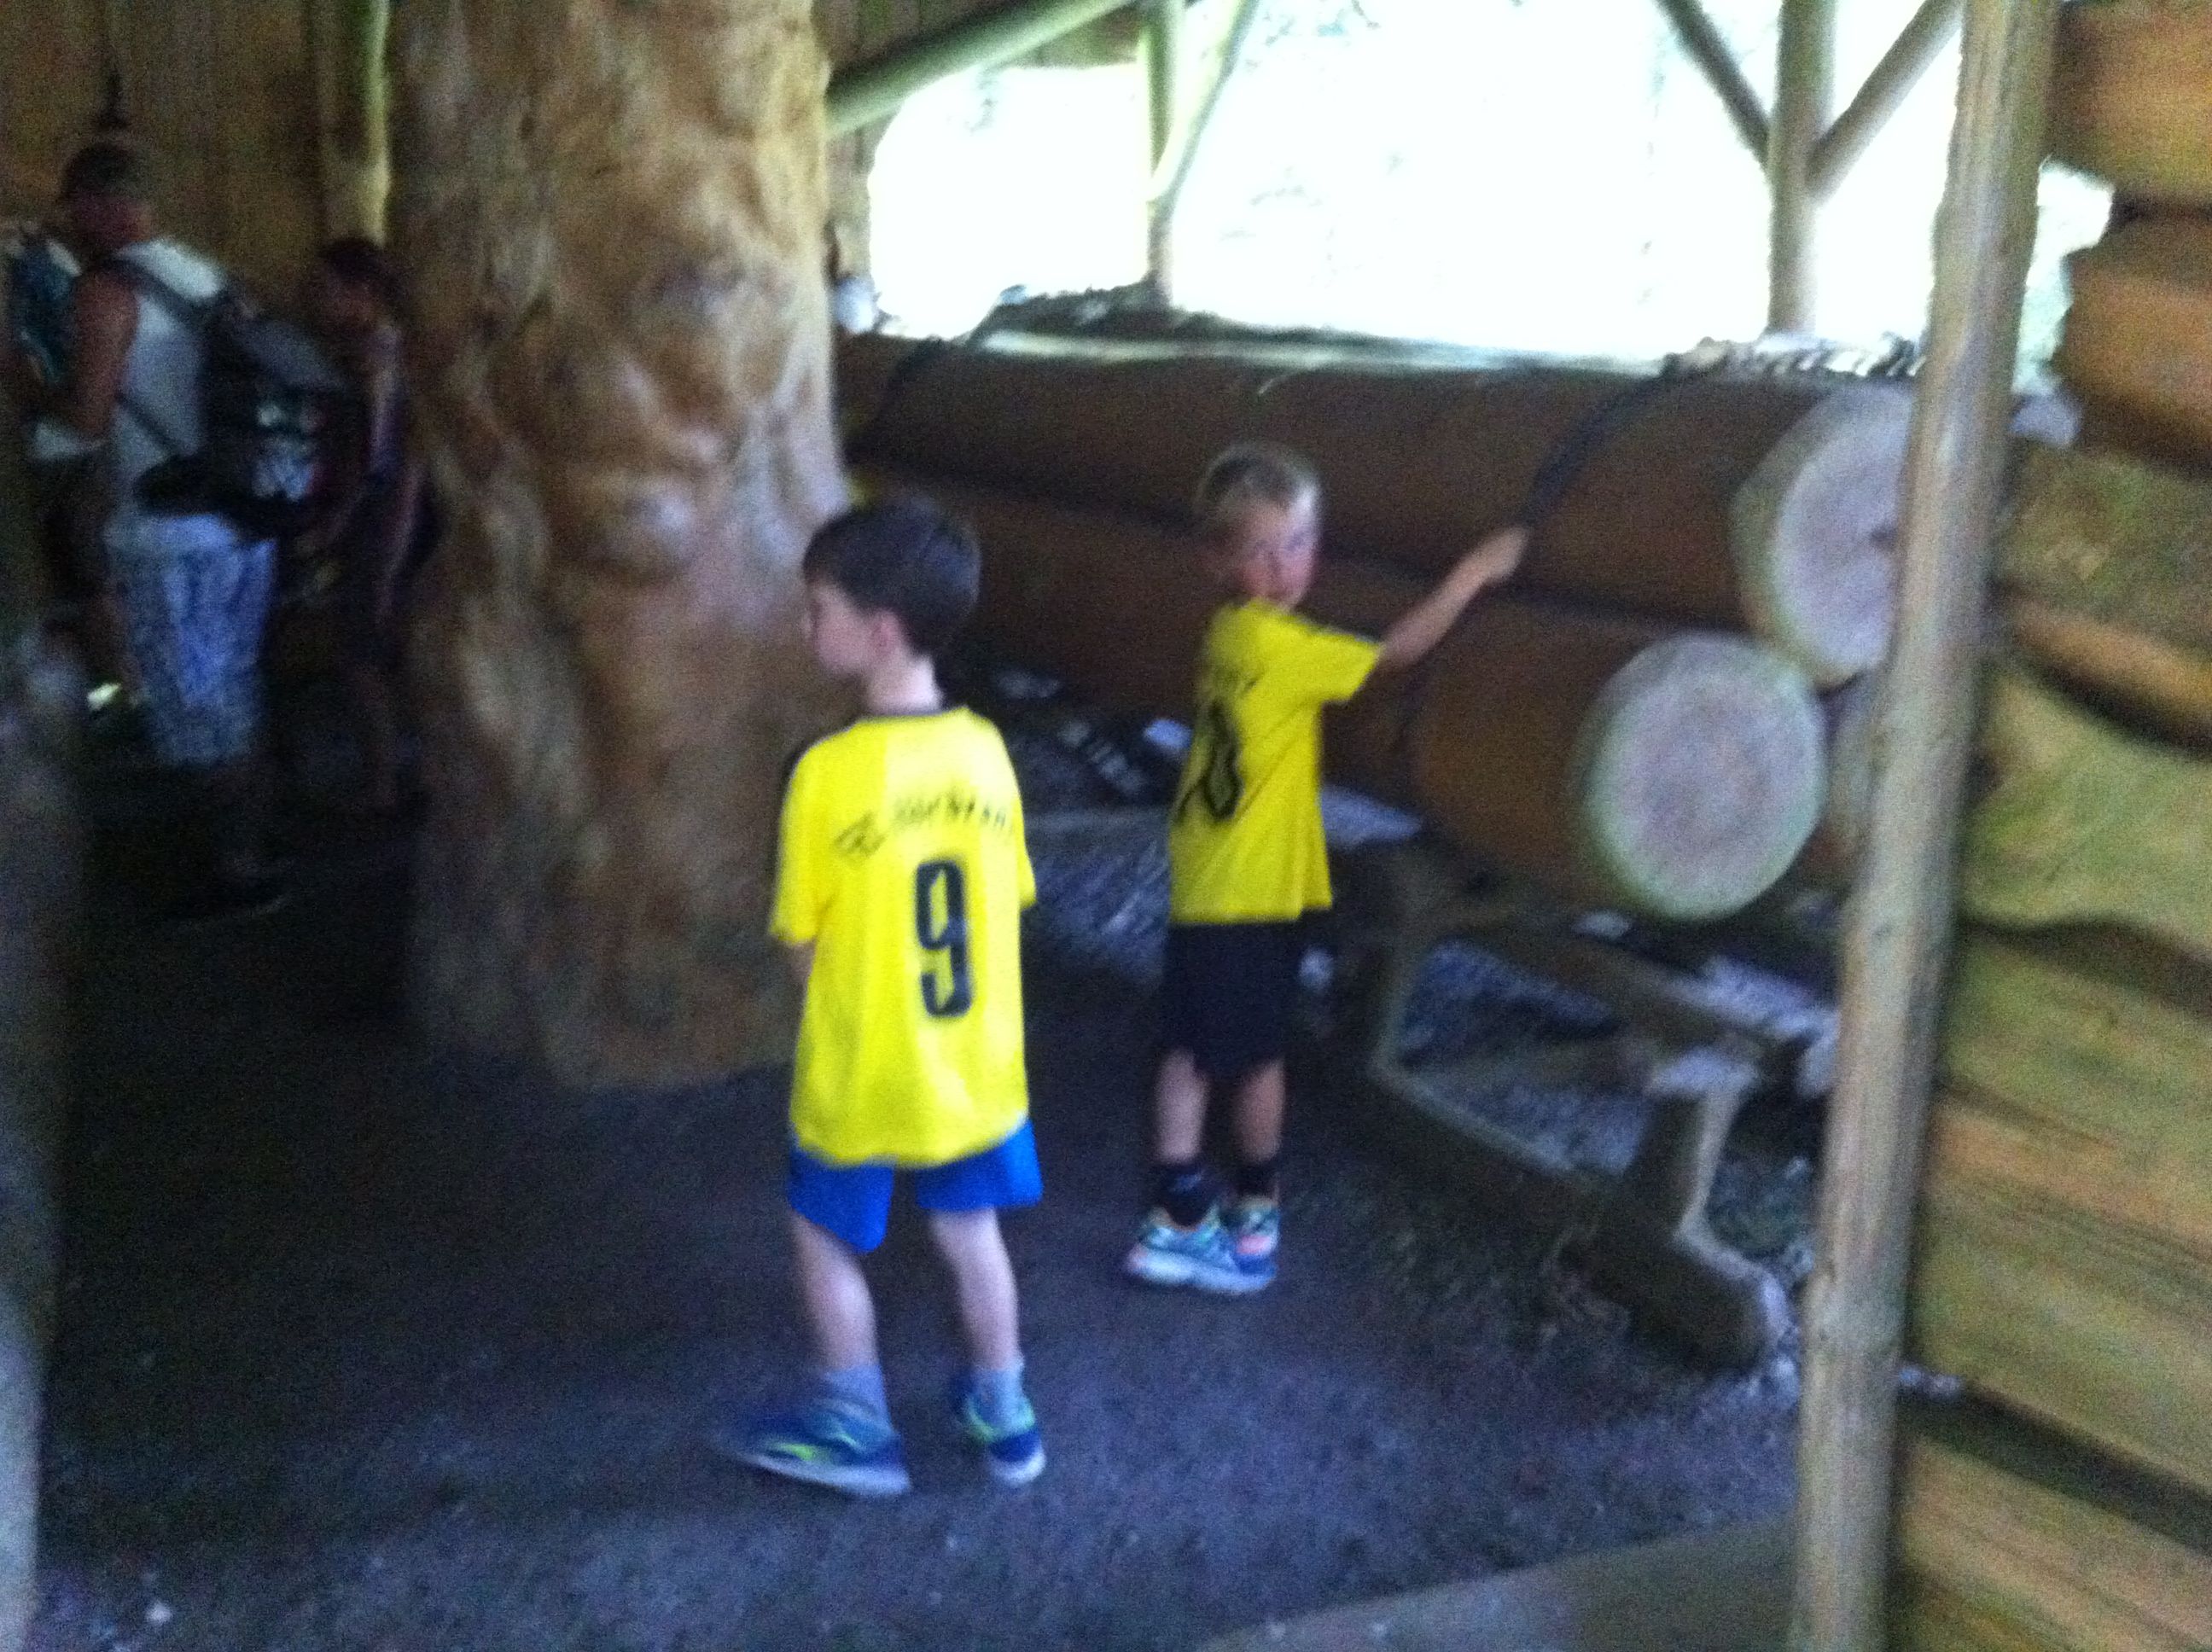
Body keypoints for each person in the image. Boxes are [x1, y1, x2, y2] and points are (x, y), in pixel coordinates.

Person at [1126, 443, 1527, 1294]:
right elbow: (1397, 653)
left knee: (1189, 1044)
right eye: (1261, 551)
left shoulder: (1230, 632)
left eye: (1300, 543)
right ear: (1218, 561)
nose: (1284, 567)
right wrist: (1473, 575)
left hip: (1210, 877)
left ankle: (1178, 1201)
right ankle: (1242, 1208)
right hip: (1251, 891)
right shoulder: (1281, 646)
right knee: (1258, 1055)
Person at [726, 497, 1045, 1498]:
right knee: (970, 1230)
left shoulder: (826, 774)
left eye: (817, 607)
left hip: (864, 1067)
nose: (804, 625)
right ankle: (1006, 1413)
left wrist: (835, 1016)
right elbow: (1008, 899)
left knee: (823, 1231)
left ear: (881, 631)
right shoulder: (987, 751)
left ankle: (853, 1423)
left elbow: (801, 938)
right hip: (973, 1065)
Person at [23, 143, 283, 915]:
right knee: (235, 690)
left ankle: (240, 873)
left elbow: (85, 417)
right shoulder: (209, 275)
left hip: (169, 535)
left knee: (200, 712)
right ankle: (259, 844)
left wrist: (23, 383)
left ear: (99, 204)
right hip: (243, 516)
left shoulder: (107, 292)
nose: (72, 225)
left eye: (76, 208)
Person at [303, 236, 428, 815]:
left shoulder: (374, 361)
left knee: (361, 657)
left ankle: (382, 784)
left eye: (324, 288)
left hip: (383, 524)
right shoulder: (402, 352)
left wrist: (338, 525)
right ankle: (416, 773)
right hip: (409, 520)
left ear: (364, 293)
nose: (312, 299)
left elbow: (378, 464)